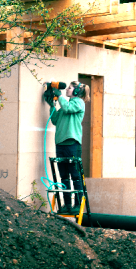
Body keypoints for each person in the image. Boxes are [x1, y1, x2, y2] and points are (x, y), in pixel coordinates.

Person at [45, 81, 90, 214]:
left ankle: (77, 204)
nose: (67, 89)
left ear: (76, 92)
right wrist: (51, 105)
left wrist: (59, 96)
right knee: (64, 176)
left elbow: (68, 108)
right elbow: (55, 120)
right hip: (60, 144)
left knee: (75, 176)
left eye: (70, 88)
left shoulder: (78, 103)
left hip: (72, 144)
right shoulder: (65, 105)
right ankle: (67, 205)